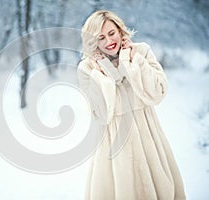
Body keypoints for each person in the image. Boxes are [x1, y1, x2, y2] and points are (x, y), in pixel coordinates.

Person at [77, 10, 186, 200]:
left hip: (149, 137)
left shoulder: (141, 51)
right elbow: (101, 115)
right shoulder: (87, 68)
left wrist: (132, 62)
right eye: (100, 37)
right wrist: (102, 75)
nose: (109, 41)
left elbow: (158, 93)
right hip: (112, 145)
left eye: (112, 33)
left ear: (120, 31)